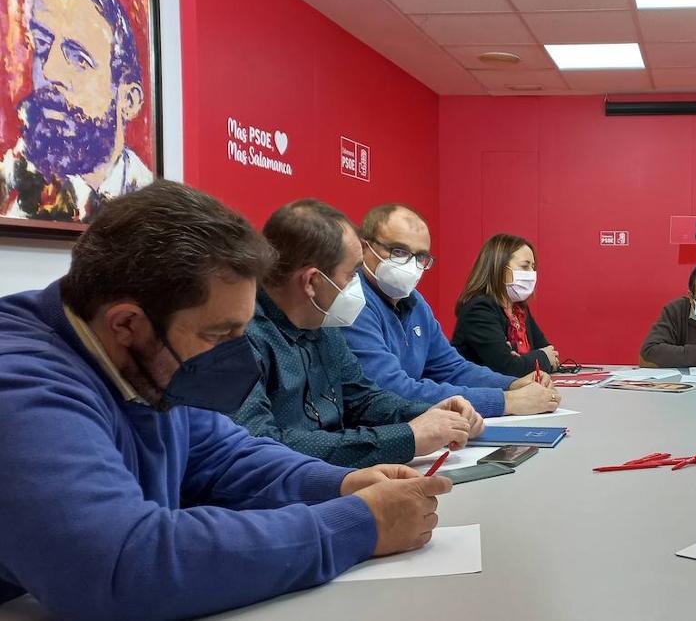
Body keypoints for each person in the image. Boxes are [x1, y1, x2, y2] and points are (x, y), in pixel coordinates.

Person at [0, 181, 452, 619]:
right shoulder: (21, 384)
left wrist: (340, 484)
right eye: (219, 334)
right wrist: (355, 525)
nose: (235, 355)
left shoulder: (145, 355)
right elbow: (121, 563)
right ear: (126, 324)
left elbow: (224, 454)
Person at [232, 199, 484, 468]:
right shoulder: (239, 336)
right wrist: (407, 438)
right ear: (312, 281)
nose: (357, 285)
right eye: (352, 273)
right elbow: (260, 444)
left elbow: (363, 399)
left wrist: (433, 413)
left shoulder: (323, 325)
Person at [342, 203, 561, 418]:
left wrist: (512, 384)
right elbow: (392, 391)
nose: (410, 265)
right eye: (399, 251)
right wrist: (507, 401)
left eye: (420, 257)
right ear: (364, 248)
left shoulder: (415, 302)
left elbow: (453, 369)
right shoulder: (352, 301)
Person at [1, 0, 154, 223]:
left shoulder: (153, 201)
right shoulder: (10, 186)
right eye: (42, 44)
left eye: (79, 58)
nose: (49, 71)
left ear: (128, 100)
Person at [451, 233, 560, 377]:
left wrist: (525, 360)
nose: (532, 273)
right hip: (479, 396)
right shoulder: (479, 309)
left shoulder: (519, 309)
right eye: (524, 266)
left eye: (533, 267)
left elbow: (551, 353)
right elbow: (509, 368)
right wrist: (539, 357)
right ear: (498, 267)